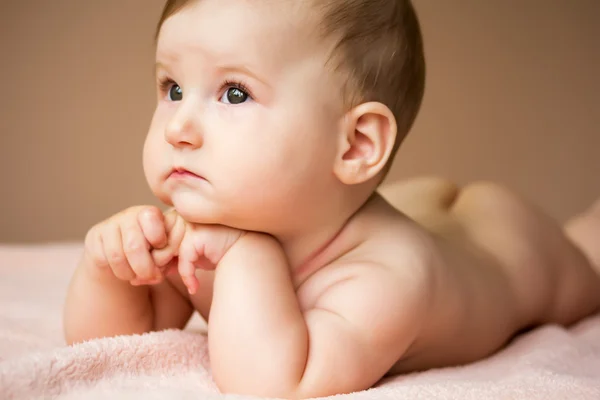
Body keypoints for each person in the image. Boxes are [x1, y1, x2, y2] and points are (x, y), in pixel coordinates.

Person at [63, 0, 600, 398]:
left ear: (357, 144)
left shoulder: (389, 278)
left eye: (234, 93)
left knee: (588, 266)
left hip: (505, 244)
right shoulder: (215, 222)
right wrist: (110, 266)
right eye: (172, 87)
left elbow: (276, 384)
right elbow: (112, 346)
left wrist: (246, 257)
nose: (178, 126)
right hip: (400, 203)